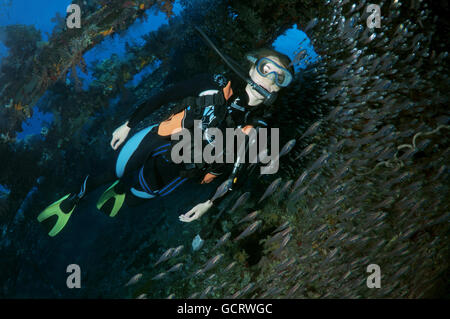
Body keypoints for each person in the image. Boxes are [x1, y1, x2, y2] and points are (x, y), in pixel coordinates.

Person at [37, 46, 295, 240]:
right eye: (265, 69)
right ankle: (75, 197)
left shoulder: (262, 129)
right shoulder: (213, 84)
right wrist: (129, 123)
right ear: (251, 67)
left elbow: (240, 174)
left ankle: (122, 192)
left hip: (182, 169)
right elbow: (165, 95)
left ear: (280, 89)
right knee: (116, 171)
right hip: (158, 138)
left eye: (279, 78)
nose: (269, 80)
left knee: (137, 199)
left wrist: (209, 203)